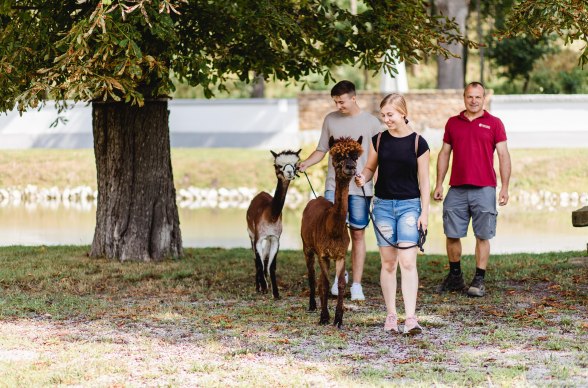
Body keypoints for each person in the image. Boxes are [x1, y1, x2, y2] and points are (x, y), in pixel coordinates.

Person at [298, 80, 382, 301]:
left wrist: (375, 183)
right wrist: (306, 163)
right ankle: (339, 277)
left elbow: (376, 158)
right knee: (332, 232)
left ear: (353, 98)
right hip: (333, 188)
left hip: (360, 188)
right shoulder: (330, 120)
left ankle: (356, 284)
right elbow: (321, 150)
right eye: (335, 102)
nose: (338, 106)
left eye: (342, 101)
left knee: (357, 233)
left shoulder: (372, 123)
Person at [355, 93, 430, 335]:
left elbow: (425, 183)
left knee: (407, 262)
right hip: (383, 206)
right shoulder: (378, 140)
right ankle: (391, 316)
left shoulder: (419, 143)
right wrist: (362, 178)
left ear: (403, 113)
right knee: (388, 263)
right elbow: (369, 168)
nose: (386, 119)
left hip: (410, 206)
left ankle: (410, 318)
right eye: (383, 115)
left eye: (390, 115)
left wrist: (424, 214)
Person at [433, 81, 511, 297]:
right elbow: (444, 153)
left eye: (478, 97)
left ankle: (479, 279)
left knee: (482, 235)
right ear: (464, 98)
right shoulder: (453, 123)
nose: (474, 100)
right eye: (470, 96)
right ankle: (455, 277)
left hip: (485, 188)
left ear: (483, 98)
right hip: (456, 188)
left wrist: (504, 187)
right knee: (451, 233)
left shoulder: (494, 123)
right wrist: (439, 183)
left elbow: (503, 155)